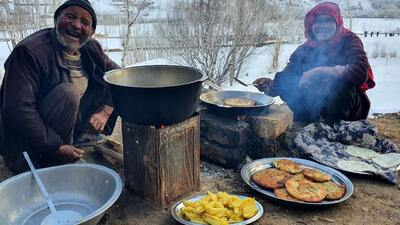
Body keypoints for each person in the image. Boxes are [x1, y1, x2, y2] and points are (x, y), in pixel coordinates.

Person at [0, 0, 120, 173]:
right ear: (56, 20)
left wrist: (105, 111)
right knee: (68, 92)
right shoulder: (30, 51)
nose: (76, 25)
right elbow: (17, 109)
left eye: (85, 22)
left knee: (106, 80)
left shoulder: (90, 48)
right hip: (27, 148)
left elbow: (120, 77)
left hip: (66, 128)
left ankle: (77, 139)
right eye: (70, 16)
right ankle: (51, 159)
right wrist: (56, 147)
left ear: (91, 32)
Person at [253, 2, 375, 124]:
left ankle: (335, 129)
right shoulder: (305, 49)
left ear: (337, 22)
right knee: (290, 81)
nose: (323, 25)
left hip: (345, 110)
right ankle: (308, 123)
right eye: (318, 21)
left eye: (328, 20)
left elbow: (360, 72)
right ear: (311, 25)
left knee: (340, 85)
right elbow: (288, 75)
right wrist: (270, 86)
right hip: (314, 106)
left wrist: (318, 71)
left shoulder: (349, 40)